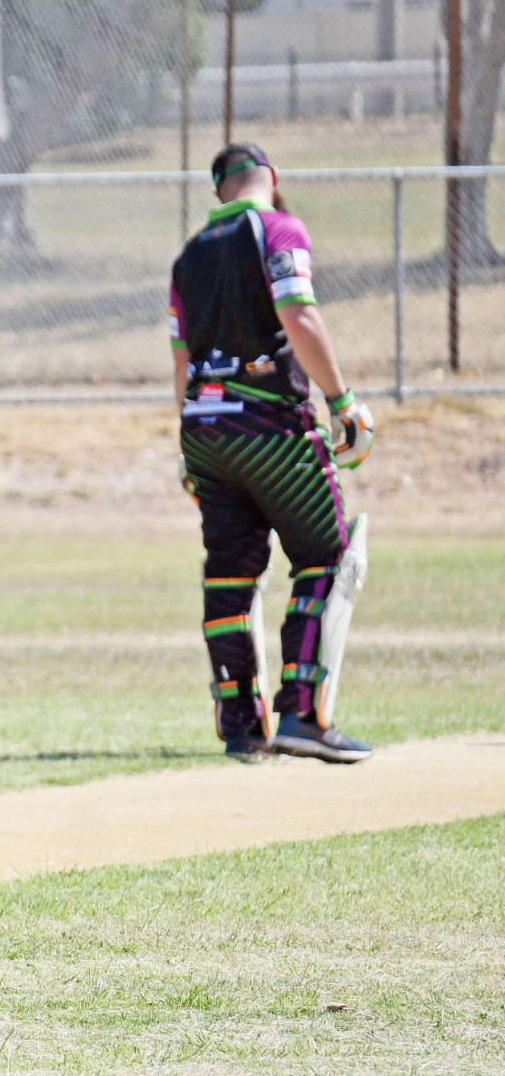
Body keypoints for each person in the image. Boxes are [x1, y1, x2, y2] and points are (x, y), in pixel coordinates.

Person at [169, 143, 374, 764]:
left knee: (229, 571)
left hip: (202, 426)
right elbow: (299, 315)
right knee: (328, 558)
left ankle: (240, 726)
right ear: (272, 180)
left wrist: (186, 444)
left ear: (218, 193)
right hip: (269, 422)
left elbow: (181, 361)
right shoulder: (279, 227)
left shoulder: (187, 258)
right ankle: (302, 718)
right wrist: (343, 403)